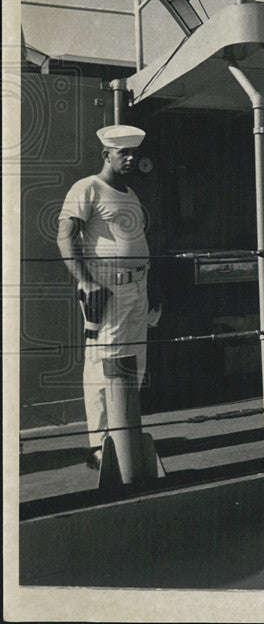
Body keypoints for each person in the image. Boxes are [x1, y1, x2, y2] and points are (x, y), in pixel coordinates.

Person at [56, 124, 159, 470]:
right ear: (106, 154)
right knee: (104, 366)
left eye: (134, 153)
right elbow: (64, 238)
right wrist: (86, 283)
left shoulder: (130, 193)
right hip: (108, 291)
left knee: (135, 364)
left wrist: (150, 286)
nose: (130, 159)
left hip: (138, 290)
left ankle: (126, 434)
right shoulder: (88, 187)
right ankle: (102, 445)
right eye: (123, 153)